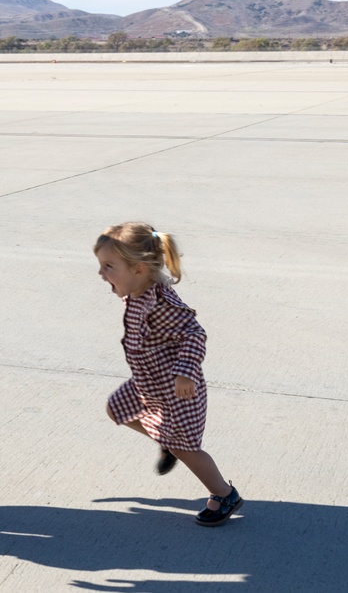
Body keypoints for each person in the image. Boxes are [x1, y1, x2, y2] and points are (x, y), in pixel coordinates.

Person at [94, 222, 243, 527]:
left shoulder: (162, 303)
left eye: (108, 266)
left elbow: (194, 333)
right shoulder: (139, 292)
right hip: (148, 384)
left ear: (138, 269)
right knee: (116, 408)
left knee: (186, 448)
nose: (101, 273)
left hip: (177, 389)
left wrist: (186, 373)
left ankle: (224, 493)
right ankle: (165, 439)